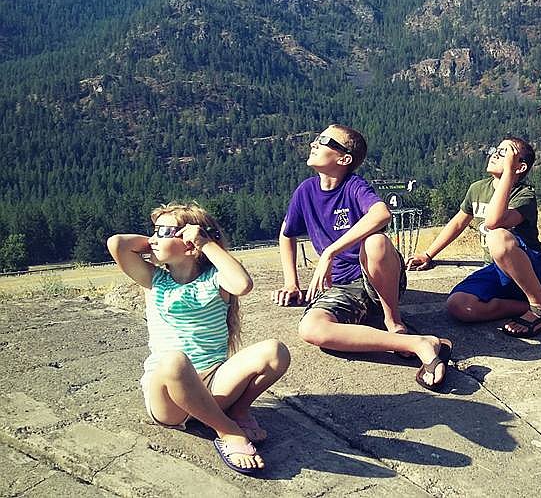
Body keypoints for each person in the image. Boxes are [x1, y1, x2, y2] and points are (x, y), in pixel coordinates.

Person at [107, 203, 290, 475]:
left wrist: (205, 242)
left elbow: (243, 285)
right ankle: (227, 430)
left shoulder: (215, 279)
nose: (154, 238)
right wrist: (162, 241)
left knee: (276, 351)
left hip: (214, 384)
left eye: (165, 232)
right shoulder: (154, 279)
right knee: (174, 361)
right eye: (154, 232)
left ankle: (238, 410)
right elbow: (118, 244)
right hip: (169, 397)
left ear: (191, 244)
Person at [273, 124, 452, 391]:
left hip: (377, 278)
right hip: (344, 289)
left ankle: (393, 321)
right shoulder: (306, 191)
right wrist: (291, 282)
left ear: (344, 159)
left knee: (376, 242)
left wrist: (330, 252)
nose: (314, 143)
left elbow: (381, 214)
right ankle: (418, 344)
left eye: (324, 141)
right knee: (311, 330)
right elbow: (287, 233)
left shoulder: (354, 186)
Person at [407, 136, 541, 336]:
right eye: (496, 150)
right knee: (459, 305)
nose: (494, 155)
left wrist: (508, 174)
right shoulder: (478, 188)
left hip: (529, 268)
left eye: (504, 153)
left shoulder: (524, 195)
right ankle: (540, 305)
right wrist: (428, 254)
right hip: (495, 269)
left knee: (497, 237)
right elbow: (458, 223)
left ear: (520, 167)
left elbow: (493, 222)